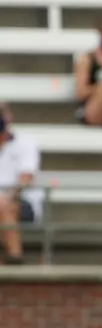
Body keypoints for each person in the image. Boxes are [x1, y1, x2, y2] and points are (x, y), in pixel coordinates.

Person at [0, 107, 40, 266]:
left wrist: (6, 197)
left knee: (4, 206)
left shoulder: (25, 143)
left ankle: (15, 259)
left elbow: (25, 179)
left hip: (23, 202)